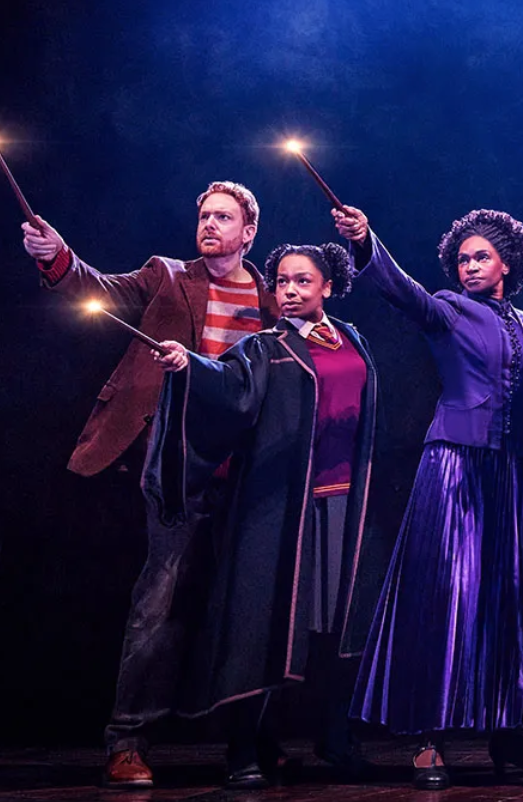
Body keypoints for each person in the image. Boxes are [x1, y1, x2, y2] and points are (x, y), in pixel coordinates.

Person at [20, 182, 274, 789]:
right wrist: (58, 257)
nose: (209, 224)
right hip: (177, 464)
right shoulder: (168, 274)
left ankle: (248, 744)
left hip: (246, 473)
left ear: (248, 232)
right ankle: (128, 741)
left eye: (223, 217)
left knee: (243, 607)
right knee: (159, 599)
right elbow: (96, 287)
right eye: (204, 215)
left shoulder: (271, 299)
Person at [331, 205, 523, 789]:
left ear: (507, 263)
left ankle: (512, 739)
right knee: (444, 599)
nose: (470, 267)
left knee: (508, 604)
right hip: (454, 467)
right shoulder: (448, 307)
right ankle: (427, 740)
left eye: (481, 257)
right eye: (462, 259)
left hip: (510, 477)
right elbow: (403, 292)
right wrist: (367, 240)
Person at [147, 242, 384, 789]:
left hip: (347, 504)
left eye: (303, 281)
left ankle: (335, 739)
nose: (290, 291)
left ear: (328, 287)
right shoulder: (263, 348)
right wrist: (189, 364)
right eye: (282, 282)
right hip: (282, 507)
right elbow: (225, 384)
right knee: (264, 620)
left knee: (339, 627)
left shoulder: (353, 340)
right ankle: (245, 747)